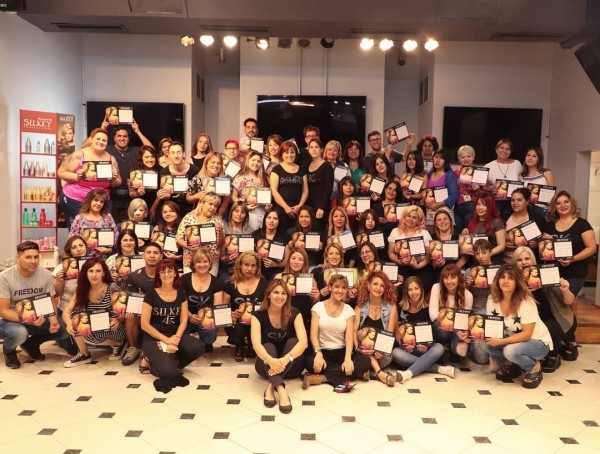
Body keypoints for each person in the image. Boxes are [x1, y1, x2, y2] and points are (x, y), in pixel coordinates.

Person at [140, 259, 203, 392]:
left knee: (198, 347)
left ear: (175, 273)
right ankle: (149, 359)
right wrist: (167, 340)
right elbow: (144, 325)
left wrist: (176, 338)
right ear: (158, 275)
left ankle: (171, 362)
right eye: (162, 272)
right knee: (168, 373)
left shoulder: (181, 293)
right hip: (154, 337)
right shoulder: (151, 294)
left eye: (170, 271)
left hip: (175, 334)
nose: (166, 274)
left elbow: (184, 320)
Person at [485, 264, 553, 389]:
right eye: (502, 277)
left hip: (538, 343)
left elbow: (527, 335)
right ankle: (513, 365)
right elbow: (492, 327)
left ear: (517, 282)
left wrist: (501, 341)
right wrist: (472, 335)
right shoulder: (492, 299)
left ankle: (533, 367)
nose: (505, 281)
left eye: (511, 278)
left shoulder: (526, 301)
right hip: (513, 341)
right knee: (484, 344)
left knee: (509, 351)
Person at [0, 241, 65, 369]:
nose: (33, 261)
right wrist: (29, 320)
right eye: (28, 257)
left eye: (36, 257)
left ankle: (31, 344)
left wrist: (53, 321)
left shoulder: (45, 275)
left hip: (37, 318)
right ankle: (9, 350)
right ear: (18, 258)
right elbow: (3, 311)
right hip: (10, 321)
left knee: (63, 328)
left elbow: (50, 301)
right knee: (20, 333)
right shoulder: (5, 277)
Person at [513, 246, 576, 373]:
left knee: (546, 329)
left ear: (533, 260)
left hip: (556, 319)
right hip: (530, 322)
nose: (524, 262)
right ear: (515, 264)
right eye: (519, 260)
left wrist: (566, 290)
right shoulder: (513, 281)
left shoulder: (546, 274)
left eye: (527, 258)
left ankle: (554, 354)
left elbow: (568, 301)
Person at [303, 274, 371, 388]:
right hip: (323, 352)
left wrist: (348, 358)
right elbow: (313, 335)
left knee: (366, 361)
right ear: (330, 287)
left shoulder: (348, 310)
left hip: (341, 352)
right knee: (308, 362)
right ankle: (354, 374)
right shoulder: (318, 307)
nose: (340, 290)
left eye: (344, 288)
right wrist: (318, 353)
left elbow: (349, 338)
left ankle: (322, 378)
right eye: (337, 286)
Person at [251, 279, 308, 413]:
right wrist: (271, 361)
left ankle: (271, 387)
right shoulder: (257, 315)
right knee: (267, 346)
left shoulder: (295, 313)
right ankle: (282, 391)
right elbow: (256, 344)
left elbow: (303, 343)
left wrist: (283, 361)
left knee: (293, 341)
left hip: (292, 366)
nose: (280, 296)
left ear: (287, 296)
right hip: (265, 366)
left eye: (284, 293)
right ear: (268, 295)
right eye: (276, 292)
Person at [62, 258, 127, 367]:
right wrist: (69, 324)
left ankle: (119, 342)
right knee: (74, 317)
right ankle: (84, 354)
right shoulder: (82, 289)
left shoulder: (112, 287)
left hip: (113, 327)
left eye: (98, 271)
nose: (94, 275)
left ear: (103, 273)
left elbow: (124, 310)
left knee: (82, 329)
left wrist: (118, 319)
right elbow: (66, 311)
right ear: (86, 273)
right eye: (91, 271)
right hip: (94, 327)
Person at [392, 276, 455, 383]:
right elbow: (397, 333)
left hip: (425, 351)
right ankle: (439, 369)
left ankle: (408, 373)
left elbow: (431, 335)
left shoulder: (427, 309)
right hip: (408, 352)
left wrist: (427, 347)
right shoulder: (399, 308)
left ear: (421, 290)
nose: (414, 292)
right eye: (410, 289)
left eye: (416, 288)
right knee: (395, 353)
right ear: (406, 292)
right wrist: (404, 346)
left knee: (439, 347)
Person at [58, 128, 122, 229]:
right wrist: (76, 176)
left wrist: (114, 178)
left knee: (101, 231)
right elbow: (61, 172)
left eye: (104, 140)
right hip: (76, 199)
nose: (101, 142)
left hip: (101, 201)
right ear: (91, 139)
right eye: (98, 139)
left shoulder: (111, 159)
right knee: (79, 231)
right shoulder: (79, 155)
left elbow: (118, 182)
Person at [99, 124, 153, 223]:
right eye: (119, 136)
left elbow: (151, 150)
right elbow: (88, 145)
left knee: (128, 227)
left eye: (125, 136)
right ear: (114, 138)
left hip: (130, 197)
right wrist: (102, 129)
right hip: (111, 197)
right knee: (110, 226)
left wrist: (138, 132)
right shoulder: (107, 150)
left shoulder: (135, 151)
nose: (122, 138)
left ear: (128, 138)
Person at [354, 271, 399, 387]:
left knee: (386, 356)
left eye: (382, 285)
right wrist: (359, 349)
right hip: (362, 352)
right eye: (375, 284)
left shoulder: (391, 307)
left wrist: (381, 350)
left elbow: (389, 335)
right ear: (368, 285)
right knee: (361, 333)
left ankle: (367, 372)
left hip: (382, 355)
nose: (378, 288)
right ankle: (380, 374)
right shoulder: (359, 307)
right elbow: (353, 333)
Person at [224, 252, 269, 362]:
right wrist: (231, 315)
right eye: (246, 265)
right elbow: (224, 308)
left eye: (253, 265)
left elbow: (268, 306)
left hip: (257, 321)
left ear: (257, 267)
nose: (249, 269)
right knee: (237, 325)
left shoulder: (265, 284)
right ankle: (239, 346)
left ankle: (252, 345)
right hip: (237, 322)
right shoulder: (230, 284)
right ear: (240, 265)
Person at [180, 248, 223, 354]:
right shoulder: (184, 279)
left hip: (207, 317)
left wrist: (205, 317)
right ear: (193, 264)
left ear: (210, 263)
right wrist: (190, 316)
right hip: (186, 316)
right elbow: (179, 303)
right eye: (198, 262)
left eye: (205, 261)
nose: (202, 265)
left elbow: (217, 305)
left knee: (210, 330)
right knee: (184, 344)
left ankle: (207, 342)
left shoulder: (217, 282)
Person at [53, 236, 88, 356]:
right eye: (74, 247)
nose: (79, 249)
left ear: (86, 247)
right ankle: (59, 337)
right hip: (66, 310)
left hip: (86, 311)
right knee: (73, 349)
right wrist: (60, 281)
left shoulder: (93, 265)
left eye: (81, 245)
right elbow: (56, 294)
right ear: (69, 251)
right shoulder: (62, 267)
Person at [429, 264, 473, 359]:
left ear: (459, 278)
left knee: (459, 351)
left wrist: (462, 333)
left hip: (457, 329)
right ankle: (440, 350)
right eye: (446, 278)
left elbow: (465, 321)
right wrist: (449, 322)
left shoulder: (468, 295)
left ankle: (453, 349)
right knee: (438, 326)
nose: (449, 281)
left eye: (453, 277)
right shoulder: (436, 287)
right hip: (442, 326)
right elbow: (433, 314)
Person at [387, 205, 434, 291]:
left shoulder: (424, 233)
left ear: (419, 220)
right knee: (401, 288)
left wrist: (418, 266)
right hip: (401, 267)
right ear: (404, 217)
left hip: (421, 267)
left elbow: (429, 256)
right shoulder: (395, 231)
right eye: (409, 216)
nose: (411, 219)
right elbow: (391, 253)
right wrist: (400, 262)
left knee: (419, 287)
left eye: (414, 217)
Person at [177, 193, 225, 276]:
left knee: (210, 283)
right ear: (202, 203)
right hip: (191, 259)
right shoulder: (188, 218)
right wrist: (188, 246)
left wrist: (220, 232)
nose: (213, 208)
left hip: (210, 261)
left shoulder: (218, 221)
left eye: (216, 206)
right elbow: (178, 238)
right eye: (210, 204)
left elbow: (220, 245)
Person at [275, 247, 319, 335]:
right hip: (282, 319)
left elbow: (314, 305)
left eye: (300, 259)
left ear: (304, 263)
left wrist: (316, 297)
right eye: (293, 258)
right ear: (289, 260)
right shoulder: (279, 277)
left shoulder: (311, 280)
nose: (296, 262)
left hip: (303, 319)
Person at [270, 140, 309, 233]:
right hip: (281, 209)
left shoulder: (302, 169)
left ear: (296, 154)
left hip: (298, 209)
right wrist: (286, 207)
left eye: (292, 152)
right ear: (282, 154)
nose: (289, 155)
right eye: (286, 152)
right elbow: (274, 191)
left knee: (298, 235)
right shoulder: (276, 169)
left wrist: (300, 206)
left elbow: (305, 191)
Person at [156, 141, 200, 219]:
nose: (176, 156)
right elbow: (165, 197)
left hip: (191, 210)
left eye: (178, 152)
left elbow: (199, 193)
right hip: (172, 210)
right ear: (169, 155)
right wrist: (164, 196)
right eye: (173, 153)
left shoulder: (195, 171)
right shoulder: (164, 172)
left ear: (184, 154)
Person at [69, 189, 118, 257]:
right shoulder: (79, 218)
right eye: (96, 200)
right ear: (90, 201)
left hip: (104, 257)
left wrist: (109, 250)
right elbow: (71, 239)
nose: (99, 204)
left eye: (102, 202)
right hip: (84, 258)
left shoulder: (108, 217)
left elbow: (116, 237)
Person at [503, 188, 544, 264]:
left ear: (527, 201)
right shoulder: (504, 217)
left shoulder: (537, 219)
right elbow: (495, 241)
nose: (515, 203)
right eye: (513, 200)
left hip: (527, 265)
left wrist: (536, 244)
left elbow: (544, 241)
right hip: (506, 264)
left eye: (519, 200)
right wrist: (503, 244)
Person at [485, 139, 523, 220]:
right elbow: (484, 190)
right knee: (497, 223)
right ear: (496, 149)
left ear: (511, 151)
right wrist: (492, 189)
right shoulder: (488, 167)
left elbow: (522, 182)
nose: (504, 151)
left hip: (514, 202)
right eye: (502, 148)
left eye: (507, 149)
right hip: (496, 202)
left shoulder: (517, 164)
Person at [464, 193, 506, 264]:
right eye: (478, 204)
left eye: (484, 205)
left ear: (490, 207)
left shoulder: (497, 222)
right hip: (476, 261)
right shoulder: (471, 221)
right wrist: (464, 234)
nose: (480, 207)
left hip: (492, 261)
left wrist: (487, 255)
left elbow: (501, 246)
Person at [232, 150, 269, 231]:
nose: (256, 163)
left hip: (262, 212)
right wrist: (244, 207)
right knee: (249, 235)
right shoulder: (240, 177)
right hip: (246, 212)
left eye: (258, 161)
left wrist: (267, 205)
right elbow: (234, 196)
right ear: (247, 161)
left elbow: (267, 196)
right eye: (253, 160)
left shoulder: (264, 178)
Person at [187, 151, 229, 217]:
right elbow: (188, 198)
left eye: (218, 163)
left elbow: (226, 201)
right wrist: (196, 196)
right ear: (206, 164)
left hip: (216, 215)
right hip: (198, 216)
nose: (216, 165)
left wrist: (219, 215)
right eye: (213, 162)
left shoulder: (223, 180)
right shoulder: (197, 179)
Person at [454, 145, 486, 232]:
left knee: (469, 233)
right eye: (462, 157)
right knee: (458, 233)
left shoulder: (480, 172)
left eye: (469, 156)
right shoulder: (456, 172)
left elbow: (485, 194)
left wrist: (478, 190)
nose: (466, 159)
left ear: (473, 157)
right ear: (459, 159)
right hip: (457, 206)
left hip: (472, 205)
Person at [251, 207, 289, 281]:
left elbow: (287, 260)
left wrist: (276, 264)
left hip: (276, 272)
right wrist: (256, 255)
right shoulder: (255, 234)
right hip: (257, 271)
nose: (271, 221)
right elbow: (247, 255)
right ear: (265, 219)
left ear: (279, 221)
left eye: (275, 219)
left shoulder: (284, 236)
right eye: (269, 217)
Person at [425, 149, 459, 226]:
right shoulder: (430, 173)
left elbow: (454, 194)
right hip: (430, 211)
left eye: (441, 158)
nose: (437, 160)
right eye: (436, 157)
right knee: (431, 232)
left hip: (444, 211)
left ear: (446, 161)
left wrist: (438, 205)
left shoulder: (450, 174)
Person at [306, 138, 334, 230]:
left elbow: (328, 189)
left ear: (321, 149)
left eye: (317, 147)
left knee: (318, 232)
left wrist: (322, 207)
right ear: (308, 150)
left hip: (321, 207)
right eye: (311, 147)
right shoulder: (307, 165)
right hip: (309, 206)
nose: (314, 150)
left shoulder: (327, 166)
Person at [219, 201, 252, 281]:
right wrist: (227, 259)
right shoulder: (223, 228)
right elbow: (220, 255)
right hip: (225, 268)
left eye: (242, 212)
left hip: (243, 269)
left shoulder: (250, 231)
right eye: (236, 211)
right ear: (231, 212)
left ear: (246, 215)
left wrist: (239, 268)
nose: (239, 214)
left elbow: (250, 256)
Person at [128, 145, 160, 222]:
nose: (150, 159)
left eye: (152, 157)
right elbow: (131, 193)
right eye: (146, 157)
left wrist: (153, 209)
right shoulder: (135, 173)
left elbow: (161, 192)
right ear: (141, 158)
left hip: (156, 206)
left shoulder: (160, 171)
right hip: (138, 208)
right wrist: (138, 193)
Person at [151, 201, 183, 266]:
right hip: (160, 264)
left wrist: (177, 257)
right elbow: (152, 248)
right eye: (165, 212)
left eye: (171, 211)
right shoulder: (157, 228)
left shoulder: (182, 228)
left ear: (177, 212)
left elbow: (187, 251)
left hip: (179, 265)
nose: (168, 214)